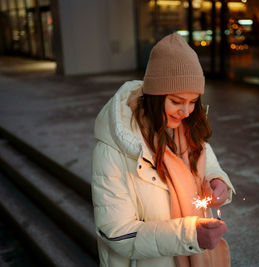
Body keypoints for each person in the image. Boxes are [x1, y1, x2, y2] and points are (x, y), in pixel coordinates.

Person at [92, 33, 235, 267]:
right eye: (177, 101)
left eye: (193, 101)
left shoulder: (187, 130)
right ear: (155, 97)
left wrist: (218, 179)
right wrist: (190, 235)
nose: (186, 111)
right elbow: (116, 232)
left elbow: (205, 159)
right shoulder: (113, 149)